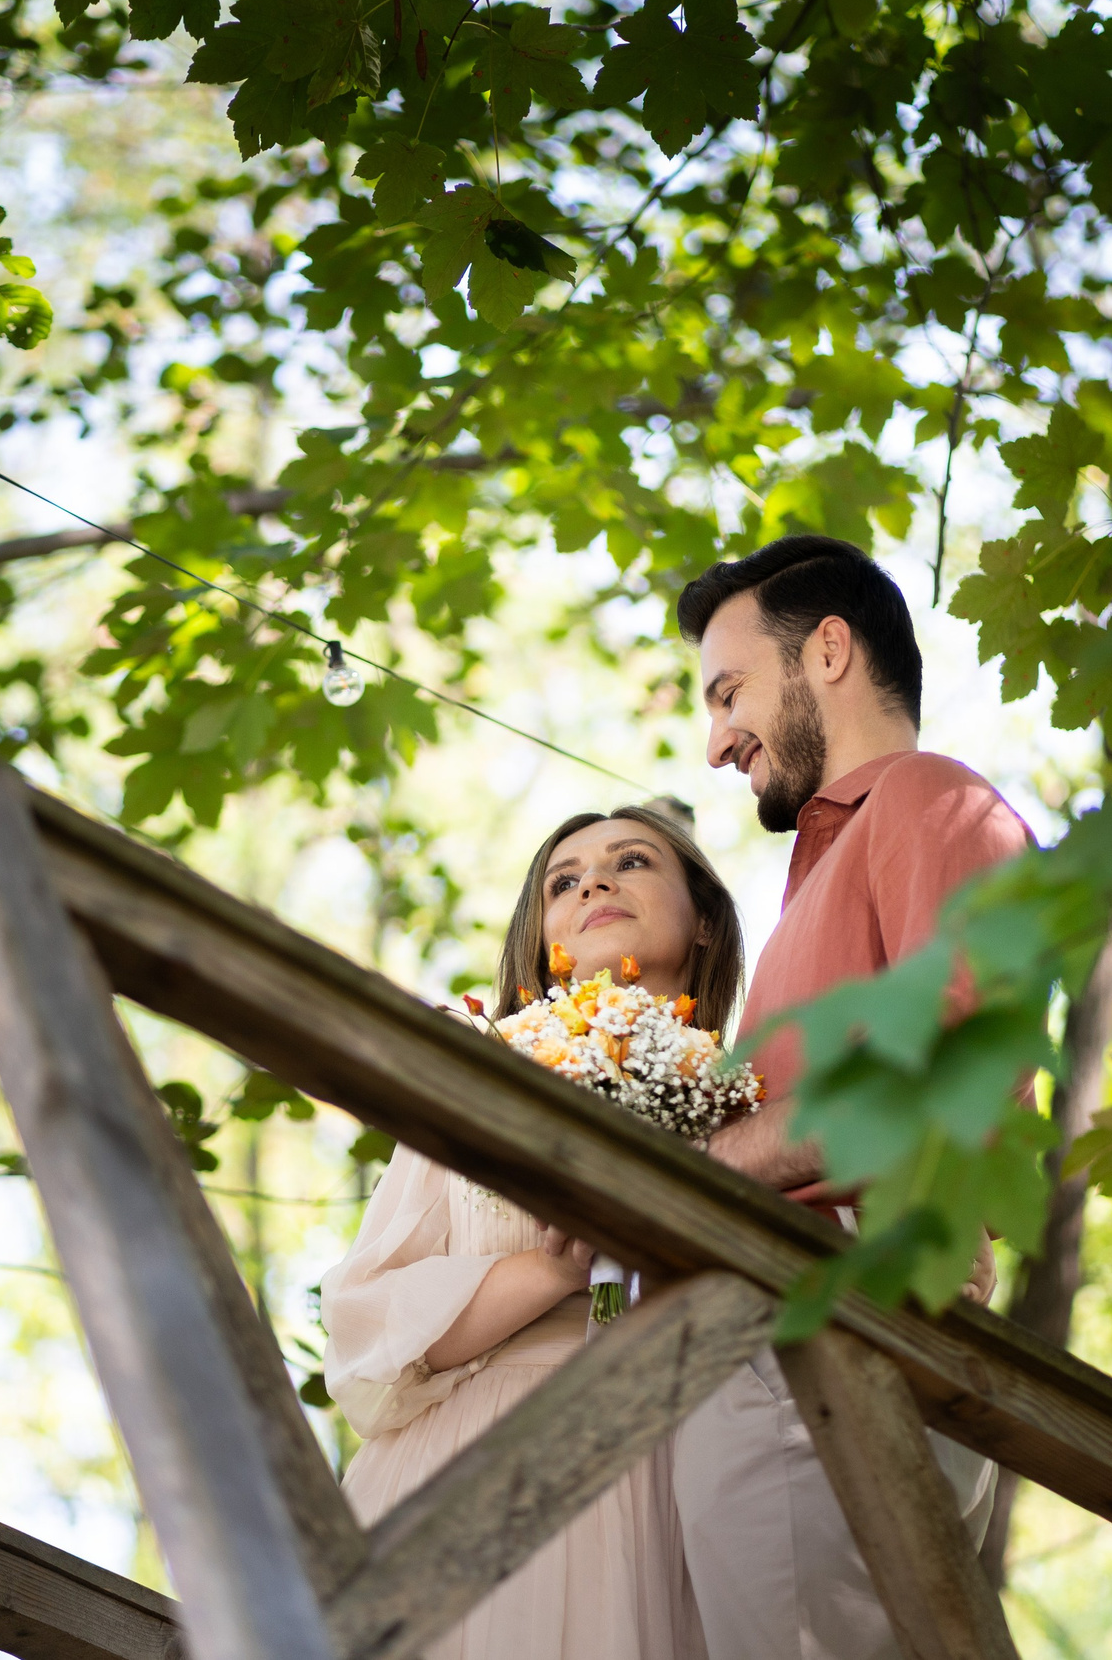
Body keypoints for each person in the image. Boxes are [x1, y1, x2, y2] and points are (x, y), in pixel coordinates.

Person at [669, 534, 1028, 1660]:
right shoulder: (813, 892)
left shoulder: (933, 802)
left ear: (827, 653)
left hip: (850, 1341)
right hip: (782, 1353)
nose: (717, 740)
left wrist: (706, 1171)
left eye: (730, 692)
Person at [319, 800, 744, 1660]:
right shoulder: (478, 1077)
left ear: (703, 921)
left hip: (678, 1468)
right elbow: (370, 1332)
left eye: (632, 862)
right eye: (564, 879)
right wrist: (552, 1272)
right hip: (471, 1459)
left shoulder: (750, 1106)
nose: (594, 880)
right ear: (542, 936)